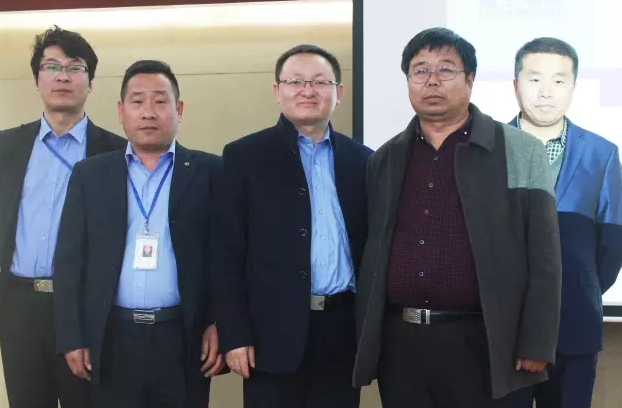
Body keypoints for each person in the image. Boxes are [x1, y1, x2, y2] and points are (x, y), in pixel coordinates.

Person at [352, 27, 563, 408]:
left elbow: (545, 256)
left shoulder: (521, 150)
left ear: (470, 79)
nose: (432, 81)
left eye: (446, 69)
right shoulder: (385, 158)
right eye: (420, 70)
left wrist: (537, 341)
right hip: (402, 346)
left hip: (486, 342)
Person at [53, 60, 224, 408]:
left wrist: (221, 322)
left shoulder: (211, 172)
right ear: (121, 111)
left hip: (182, 337)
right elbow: (70, 261)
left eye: (160, 101)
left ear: (178, 109)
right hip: (112, 336)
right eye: (137, 101)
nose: (149, 112)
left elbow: (227, 257)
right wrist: (72, 336)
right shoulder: (91, 175)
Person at [214, 44, 371, 408]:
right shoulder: (244, 157)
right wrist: (235, 334)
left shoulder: (362, 160)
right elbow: (225, 254)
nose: (307, 90)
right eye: (296, 81)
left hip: (342, 332)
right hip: (270, 334)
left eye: (320, 82)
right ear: (277, 90)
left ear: (339, 92)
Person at [0, 25, 125, 408]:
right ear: (37, 79)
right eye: (52, 66)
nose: (63, 76)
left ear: (91, 83)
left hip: (86, 310)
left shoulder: (117, 153)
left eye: (75, 67)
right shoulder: (6, 147)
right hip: (19, 308)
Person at [509, 37, 622, 408]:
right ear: (515, 84)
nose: (546, 92)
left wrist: (577, 289)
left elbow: (611, 244)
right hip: (502, 329)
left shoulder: (602, 154)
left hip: (575, 323)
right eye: (535, 79)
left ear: (573, 86)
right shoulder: (486, 148)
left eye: (559, 80)